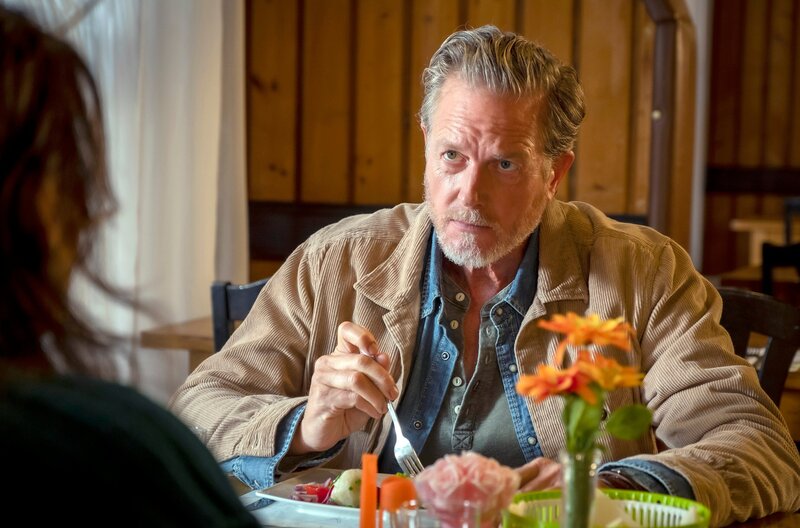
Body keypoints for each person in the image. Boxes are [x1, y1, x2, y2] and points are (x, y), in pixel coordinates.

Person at [170, 25, 800, 525]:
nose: (468, 195)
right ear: (425, 143)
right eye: (451, 156)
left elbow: (756, 444)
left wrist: (606, 492)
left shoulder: (641, 271)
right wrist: (305, 427)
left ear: (555, 173)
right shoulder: (336, 260)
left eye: (504, 164)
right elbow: (197, 410)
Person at [0, 7, 259, 526]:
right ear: (48, 205)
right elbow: (203, 400)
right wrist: (304, 422)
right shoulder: (110, 454)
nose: (98, 210)